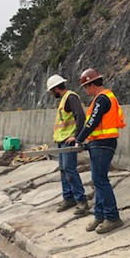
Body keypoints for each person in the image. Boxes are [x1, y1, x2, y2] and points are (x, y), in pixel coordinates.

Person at [66, 68, 126, 234]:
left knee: (100, 180)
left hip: (103, 144)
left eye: (86, 87)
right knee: (98, 180)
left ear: (92, 84)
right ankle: (100, 215)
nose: (86, 91)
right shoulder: (102, 98)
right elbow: (95, 125)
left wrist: (78, 139)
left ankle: (112, 217)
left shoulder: (102, 99)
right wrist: (86, 143)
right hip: (98, 144)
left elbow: (91, 123)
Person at [46, 74, 88, 215]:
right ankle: (68, 198)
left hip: (68, 141)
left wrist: (76, 137)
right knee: (64, 170)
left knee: (70, 169)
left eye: (52, 91)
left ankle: (81, 201)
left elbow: (81, 116)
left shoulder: (71, 97)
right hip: (62, 141)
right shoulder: (64, 99)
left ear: (56, 88)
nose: (52, 94)